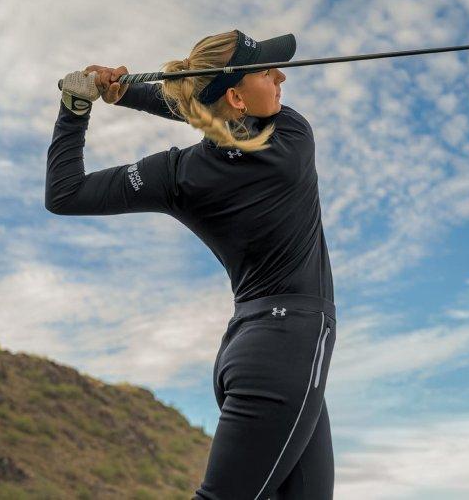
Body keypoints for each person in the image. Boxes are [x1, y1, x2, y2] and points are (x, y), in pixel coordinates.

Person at [47, 29, 336, 499]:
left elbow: (65, 193)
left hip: (251, 352)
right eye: (266, 70)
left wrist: (77, 109)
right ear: (239, 99)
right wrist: (131, 96)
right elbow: (207, 112)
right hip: (289, 349)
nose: (282, 75)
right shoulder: (292, 140)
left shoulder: (176, 174)